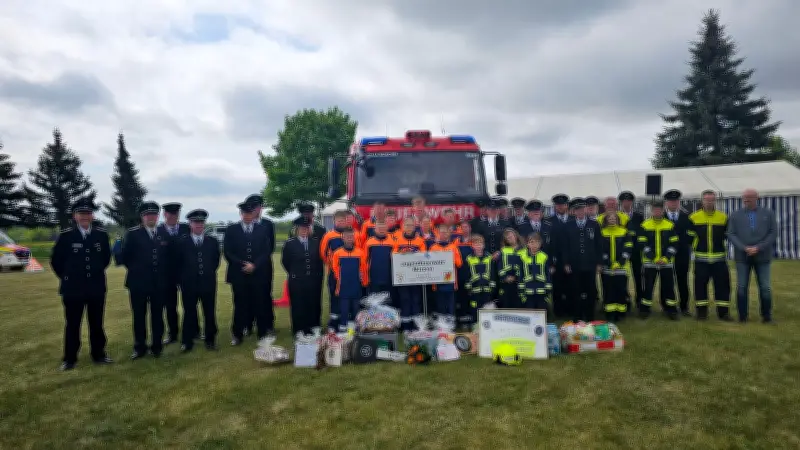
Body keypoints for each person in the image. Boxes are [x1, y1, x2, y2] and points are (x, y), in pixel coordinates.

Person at [50, 197, 112, 370]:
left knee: (97, 323)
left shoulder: (101, 235)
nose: (85, 217)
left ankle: (99, 354)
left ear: (92, 216)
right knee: (72, 324)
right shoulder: (66, 236)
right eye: (81, 214)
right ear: (74, 216)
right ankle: (70, 358)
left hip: (96, 287)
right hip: (73, 289)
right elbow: (56, 261)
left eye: (88, 213)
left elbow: (106, 259)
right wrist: (67, 277)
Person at [121, 201, 168, 359]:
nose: (151, 217)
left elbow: (168, 258)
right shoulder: (132, 234)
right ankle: (139, 347)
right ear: (142, 217)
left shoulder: (163, 234)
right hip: (138, 283)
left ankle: (157, 346)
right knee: (139, 317)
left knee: (157, 316)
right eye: (147, 215)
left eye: (154, 214)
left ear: (158, 216)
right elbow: (125, 257)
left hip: (159, 283)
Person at [224, 199, 272, 345]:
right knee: (240, 305)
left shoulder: (262, 229)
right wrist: (242, 264)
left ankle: (262, 333)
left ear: (254, 213)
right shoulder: (232, 229)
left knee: (260, 304)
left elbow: (266, 251)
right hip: (239, 274)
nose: (247, 216)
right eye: (245, 213)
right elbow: (227, 252)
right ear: (241, 213)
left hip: (258, 274)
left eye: (250, 213)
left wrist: (255, 265)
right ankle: (237, 335)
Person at [726, 188, 778, 323]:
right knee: (742, 286)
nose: (746, 200)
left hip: (763, 256)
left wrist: (758, 247)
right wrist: (744, 248)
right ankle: (742, 316)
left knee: (765, 287)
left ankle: (766, 316)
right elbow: (730, 233)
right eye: (744, 197)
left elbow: (773, 233)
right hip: (742, 257)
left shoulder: (768, 213)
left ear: (757, 198)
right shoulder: (735, 215)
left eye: (749, 197)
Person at [175, 209, 220, 352]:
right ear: (190, 224)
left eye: (201, 222)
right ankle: (187, 342)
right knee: (189, 313)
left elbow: (215, 262)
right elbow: (177, 263)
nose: (199, 225)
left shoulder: (212, 242)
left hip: (208, 282)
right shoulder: (181, 242)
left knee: (209, 312)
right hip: (189, 284)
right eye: (196, 222)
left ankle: (210, 340)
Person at [688, 190, 733, 321]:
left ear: (715, 201)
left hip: (719, 259)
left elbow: (728, 236)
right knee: (700, 286)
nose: (709, 202)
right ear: (702, 201)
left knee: (723, 286)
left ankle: (723, 313)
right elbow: (689, 238)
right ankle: (701, 313)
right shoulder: (694, 217)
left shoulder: (723, 217)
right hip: (701, 259)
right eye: (707, 200)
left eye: (712, 199)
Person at [560, 198, 602, 322]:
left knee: (591, 290)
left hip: (590, 264)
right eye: (577, 209)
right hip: (575, 264)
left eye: (582, 209)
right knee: (575, 290)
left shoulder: (594, 224)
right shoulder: (568, 225)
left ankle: (590, 316)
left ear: (586, 209)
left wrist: (599, 263)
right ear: (574, 211)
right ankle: (577, 316)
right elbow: (565, 246)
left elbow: (599, 245)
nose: (580, 212)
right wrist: (566, 262)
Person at [281, 216, 324, 335]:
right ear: (297, 229)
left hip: (312, 279)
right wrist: (295, 273)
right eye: (302, 228)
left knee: (313, 304)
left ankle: (314, 327)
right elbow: (285, 261)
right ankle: (299, 329)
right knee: (298, 305)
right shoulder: (290, 244)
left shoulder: (315, 242)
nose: (304, 230)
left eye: (306, 228)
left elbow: (319, 261)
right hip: (297, 280)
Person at [638, 201, 681, 320]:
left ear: (663, 210)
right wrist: (653, 257)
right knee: (647, 287)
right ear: (651, 211)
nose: (657, 212)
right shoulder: (645, 225)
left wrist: (666, 257)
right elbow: (642, 244)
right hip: (649, 263)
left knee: (668, 287)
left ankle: (671, 310)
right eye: (655, 210)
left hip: (666, 263)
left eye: (659, 210)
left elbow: (674, 243)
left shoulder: (670, 225)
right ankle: (645, 310)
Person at [157, 202, 190, 345]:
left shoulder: (186, 229)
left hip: (185, 273)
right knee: (170, 306)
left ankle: (193, 330)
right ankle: (173, 334)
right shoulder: (158, 231)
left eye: (176, 214)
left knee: (189, 305)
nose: (173, 217)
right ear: (165, 215)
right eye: (170, 214)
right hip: (166, 275)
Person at [243, 194, 276, 337]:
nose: (257, 210)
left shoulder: (268, 224)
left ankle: (268, 325)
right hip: (247, 267)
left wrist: (257, 263)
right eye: (253, 207)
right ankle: (247, 325)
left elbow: (271, 247)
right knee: (247, 296)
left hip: (263, 267)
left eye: (258, 207)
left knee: (265, 296)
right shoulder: (243, 224)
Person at [393, 217, 427, 331]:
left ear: (414, 227)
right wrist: (401, 253)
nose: (409, 227)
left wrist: (413, 253)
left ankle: (417, 326)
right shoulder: (397, 240)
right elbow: (392, 255)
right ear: (403, 227)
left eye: (411, 225)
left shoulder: (420, 240)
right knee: (405, 299)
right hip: (402, 277)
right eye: (407, 225)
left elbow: (424, 256)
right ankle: (406, 326)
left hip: (416, 276)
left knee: (416, 300)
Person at [663, 189, 694, 317]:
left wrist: (683, 243)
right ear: (666, 203)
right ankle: (667, 307)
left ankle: (684, 307)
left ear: (679, 202)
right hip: (665, 255)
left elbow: (691, 235)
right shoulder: (661, 218)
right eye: (671, 201)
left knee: (682, 280)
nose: (674, 203)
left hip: (682, 253)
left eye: (676, 201)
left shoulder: (687, 217)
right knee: (666, 281)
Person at [329, 228, 366, 332]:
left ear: (354, 238)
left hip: (356, 287)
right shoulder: (337, 253)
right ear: (343, 238)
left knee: (356, 309)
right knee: (344, 310)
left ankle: (356, 330)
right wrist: (339, 281)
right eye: (347, 237)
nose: (349, 239)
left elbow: (363, 269)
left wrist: (363, 282)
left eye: (351, 237)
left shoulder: (360, 252)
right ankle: (342, 330)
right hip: (343, 287)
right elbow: (335, 269)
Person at [599, 212, 632, 321]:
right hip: (607, 268)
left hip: (622, 268)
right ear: (606, 220)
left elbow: (628, 248)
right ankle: (610, 313)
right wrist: (608, 262)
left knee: (621, 290)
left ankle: (621, 312)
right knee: (608, 291)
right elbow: (601, 250)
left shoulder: (624, 232)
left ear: (618, 220)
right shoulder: (602, 233)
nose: (612, 220)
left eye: (614, 218)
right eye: (610, 218)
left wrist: (620, 262)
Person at [428, 223, 463, 321]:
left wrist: (448, 259)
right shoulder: (433, 248)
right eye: (441, 232)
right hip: (438, 282)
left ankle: (450, 325)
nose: (443, 234)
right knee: (440, 304)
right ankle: (441, 325)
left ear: (449, 234)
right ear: (437, 234)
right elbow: (429, 264)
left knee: (450, 305)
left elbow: (459, 263)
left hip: (451, 282)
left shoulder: (453, 247)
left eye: (445, 232)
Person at [617, 192, 645, 308]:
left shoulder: (639, 216)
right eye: (624, 201)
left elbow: (642, 231)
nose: (626, 203)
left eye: (628, 201)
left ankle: (639, 300)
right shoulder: (617, 216)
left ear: (632, 202)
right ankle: (625, 299)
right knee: (623, 278)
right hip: (622, 251)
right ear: (621, 203)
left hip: (636, 251)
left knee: (638, 276)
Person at [320, 210, 347, 330]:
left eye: (343, 221)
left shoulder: (352, 234)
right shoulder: (329, 236)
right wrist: (332, 265)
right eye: (339, 221)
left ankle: (344, 321)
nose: (341, 223)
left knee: (346, 296)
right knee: (334, 296)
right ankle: (333, 322)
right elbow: (323, 253)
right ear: (334, 221)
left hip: (348, 273)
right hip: (334, 273)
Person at [462, 234, 495, 328]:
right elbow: (466, 275)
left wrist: (492, 287)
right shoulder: (469, 258)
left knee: (487, 309)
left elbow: (492, 273)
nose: (478, 246)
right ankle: (475, 328)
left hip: (487, 289)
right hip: (474, 290)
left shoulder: (489, 257)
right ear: (472, 246)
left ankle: (487, 328)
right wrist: (468, 289)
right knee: (474, 309)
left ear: (484, 245)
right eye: (476, 244)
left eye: (480, 243)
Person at [546, 193, 571, 317]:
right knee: (557, 287)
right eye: (558, 205)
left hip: (571, 259)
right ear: (555, 207)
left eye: (563, 205)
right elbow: (548, 244)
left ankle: (570, 309)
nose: (560, 207)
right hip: (556, 259)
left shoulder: (573, 219)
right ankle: (559, 311)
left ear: (567, 206)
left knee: (571, 286)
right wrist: (551, 263)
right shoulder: (549, 221)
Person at [515, 233, 552, 312]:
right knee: (530, 314)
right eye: (532, 242)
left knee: (542, 313)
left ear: (540, 244)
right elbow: (521, 275)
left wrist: (548, 292)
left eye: (537, 242)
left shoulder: (544, 256)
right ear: (527, 244)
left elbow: (547, 274)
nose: (534, 245)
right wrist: (522, 293)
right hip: (528, 292)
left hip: (542, 291)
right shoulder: (523, 258)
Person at [363, 220, 396, 297]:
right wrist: (366, 277)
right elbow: (365, 261)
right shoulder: (369, 243)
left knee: (387, 302)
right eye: (379, 228)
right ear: (375, 229)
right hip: (373, 278)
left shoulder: (393, 242)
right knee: (374, 302)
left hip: (389, 278)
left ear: (386, 229)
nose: (381, 230)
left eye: (383, 228)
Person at [495, 228, 523, 308]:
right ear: (506, 240)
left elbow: (524, 266)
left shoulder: (524, 250)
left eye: (511, 235)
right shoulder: (503, 251)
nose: (510, 238)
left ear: (516, 236)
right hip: (506, 283)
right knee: (506, 304)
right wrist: (505, 277)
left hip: (519, 282)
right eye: (508, 237)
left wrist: (516, 277)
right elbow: (500, 267)